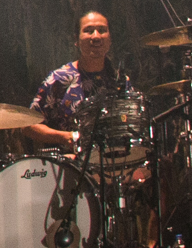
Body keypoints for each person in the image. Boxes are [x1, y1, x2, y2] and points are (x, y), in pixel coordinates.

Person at [31, 11, 134, 154]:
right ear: (77, 40)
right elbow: (29, 125)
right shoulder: (59, 79)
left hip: (112, 160)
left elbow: (133, 124)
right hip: (70, 163)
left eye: (102, 30)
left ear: (110, 39)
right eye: (88, 31)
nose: (96, 37)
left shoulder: (120, 81)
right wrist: (66, 137)